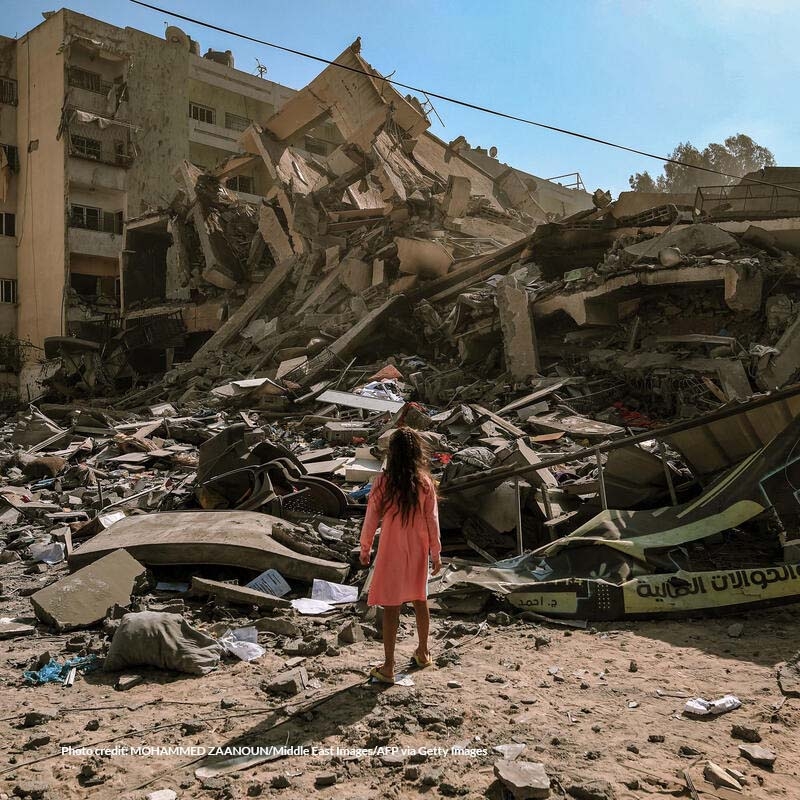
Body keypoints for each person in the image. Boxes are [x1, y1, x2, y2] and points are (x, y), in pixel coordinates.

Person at [359, 426, 442, 683]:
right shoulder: (425, 483)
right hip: (417, 549)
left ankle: (388, 666)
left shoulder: (383, 482)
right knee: (420, 598)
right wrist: (436, 553)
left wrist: (365, 548)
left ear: (392, 453)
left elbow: (371, 518)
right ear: (417, 452)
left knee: (392, 606)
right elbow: (432, 521)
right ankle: (423, 652)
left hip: (392, 549)